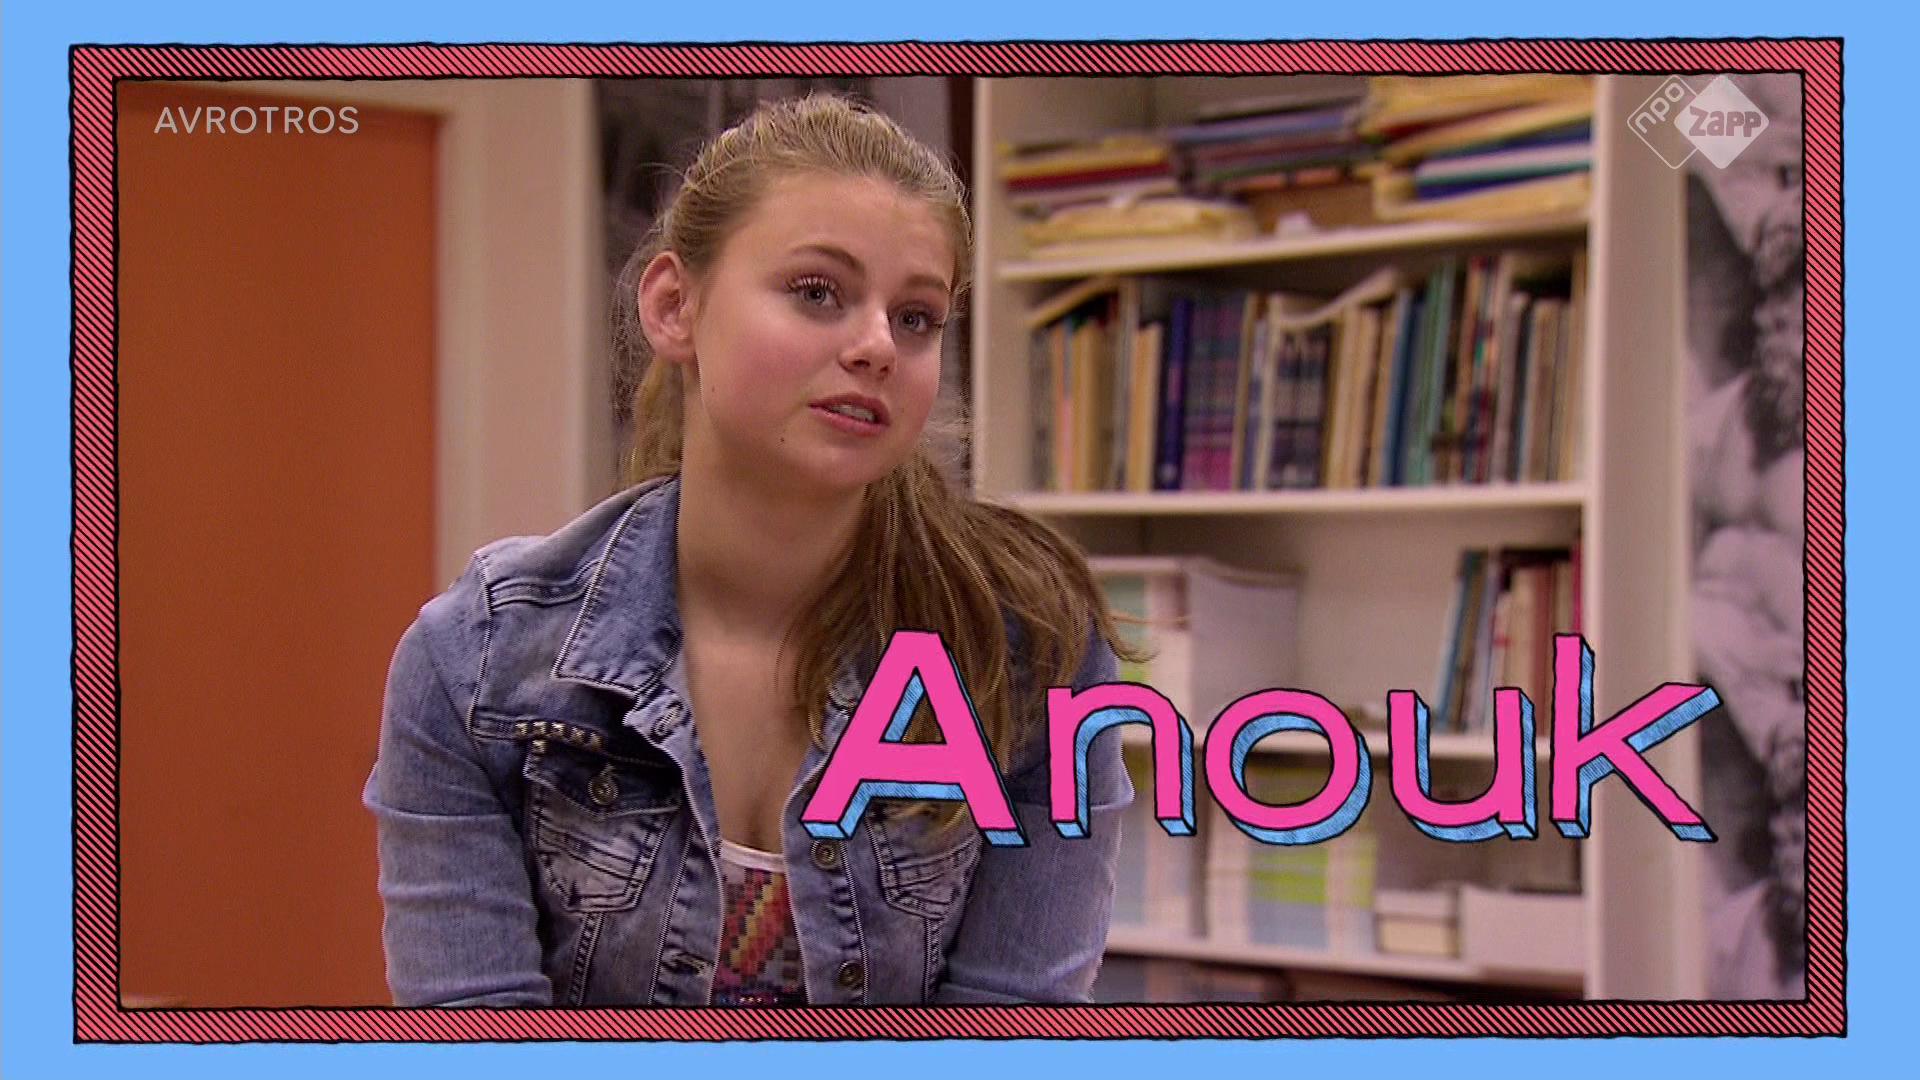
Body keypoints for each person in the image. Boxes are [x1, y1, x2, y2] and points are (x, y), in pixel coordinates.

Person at [363, 94, 1139, 1008]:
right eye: (818, 292)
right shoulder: (478, 663)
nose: (877, 346)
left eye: (917, 317)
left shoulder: (1031, 652)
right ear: (674, 306)